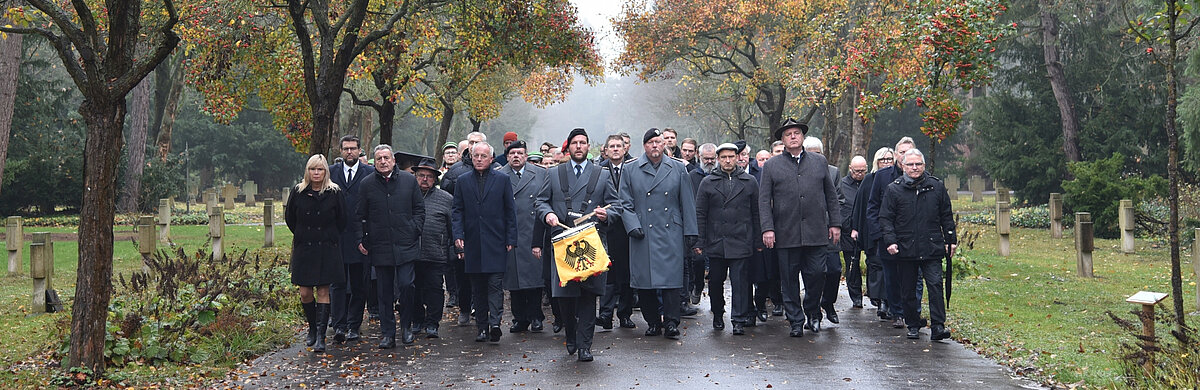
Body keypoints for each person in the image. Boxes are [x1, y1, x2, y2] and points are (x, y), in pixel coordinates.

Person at [536, 128, 620, 362]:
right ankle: (570, 333)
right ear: (569, 147)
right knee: (564, 296)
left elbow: (616, 205)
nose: (579, 146)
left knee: (588, 296)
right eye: (575, 143)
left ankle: (585, 346)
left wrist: (606, 215)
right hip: (563, 244)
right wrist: (548, 214)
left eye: (583, 142)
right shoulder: (554, 174)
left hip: (591, 243)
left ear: (588, 146)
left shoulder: (601, 175)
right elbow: (541, 202)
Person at [758, 118, 840, 337]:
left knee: (817, 274)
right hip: (786, 233)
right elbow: (764, 200)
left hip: (816, 231)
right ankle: (795, 319)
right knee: (788, 279)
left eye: (796, 133)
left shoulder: (819, 162)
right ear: (782, 140)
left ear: (803, 137)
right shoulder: (772, 166)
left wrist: (835, 223)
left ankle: (813, 313)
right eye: (788, 134)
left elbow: (831, 195)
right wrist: (767, 228)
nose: (793, 137)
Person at [619, 128, 699, 340]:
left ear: (665, 145)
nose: (655, 145)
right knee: (644, 281)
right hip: (642, 231)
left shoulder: (677, 168)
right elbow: (624, 202)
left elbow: (687, 202)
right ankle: (653, 321)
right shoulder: (631, 169)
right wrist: (632, 225)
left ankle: (672, 322)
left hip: (670, 230)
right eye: (650, 142)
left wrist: (691, 231)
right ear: (644, 146)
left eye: (658, 142)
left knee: (671, 280)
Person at [879, 148, 956, 340]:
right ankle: (913, 323)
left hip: (931, 246)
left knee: (935, 284)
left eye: (918, 164)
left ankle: (938, 326)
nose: (915, 168)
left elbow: (946, 215)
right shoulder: (894, 189)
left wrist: (951, 240)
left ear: (924, 166)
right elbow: (886, 219)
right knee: (908, 289)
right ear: (903, 166)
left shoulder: (936, 187)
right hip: (906, 247)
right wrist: (890, 241)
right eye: (910, 164)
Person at [357, 144, 425, 349]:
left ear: (394, 161)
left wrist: (414, 230)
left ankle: (406, 326)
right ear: (374, 162)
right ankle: (387, 333)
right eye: (379, 159)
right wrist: (362, 239)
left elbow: (419, 210)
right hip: (380, 246)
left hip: (406, 243)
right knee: (384, 292)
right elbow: (360, 215)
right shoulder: (367, 184)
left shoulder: (408, 181)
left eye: (387, 158)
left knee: (406, 285)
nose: (383, 162)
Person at [453, 142, 517, 343]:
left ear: (491, 158)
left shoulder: (502, 180)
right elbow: (457, 211)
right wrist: (458, 236)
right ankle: (482, 326)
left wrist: (511, 238)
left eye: (483, 156)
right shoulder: (462, 181)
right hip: (472, 242)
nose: (479, 159)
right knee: (478, 287)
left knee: (495, 285)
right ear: (471, 158)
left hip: (496, 241)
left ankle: (495, 323)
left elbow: (510, 212)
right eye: (476, 156)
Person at [694, 143, 760, 335]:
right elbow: (700, 213)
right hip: (716, 240)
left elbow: (756, 213)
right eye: (723, 157)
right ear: (718, 159)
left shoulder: (749, 181)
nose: (728, 160)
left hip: (741, 239)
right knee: (715, 281)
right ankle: (717, 313)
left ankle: (738, 319)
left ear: (737, 157)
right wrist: (699, 241)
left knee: (740, 282)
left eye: (731, 156)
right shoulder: (708, 182)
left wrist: (757, 240)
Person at [287, 154, 348, 353]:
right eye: (313, 169)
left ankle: (321, 336)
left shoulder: (334, 192)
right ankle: (312, 328)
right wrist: (304, 235)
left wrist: (330, 237)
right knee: (305, 292)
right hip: (304, 248)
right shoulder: (298, 191)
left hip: (326, 249)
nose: (316, 173)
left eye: (320, 169)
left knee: (323, 291)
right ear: (307, 170)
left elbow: (342, 220)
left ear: (325, 172)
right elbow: (290, 219)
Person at [498, 140, 550, 334]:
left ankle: (536, 316)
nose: (516, 156)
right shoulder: (499, 175)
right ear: (507, 156)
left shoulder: (540, 174)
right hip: (510, 233)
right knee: (514, 280)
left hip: (533, 231)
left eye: (520, 153)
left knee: (535, 279)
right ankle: (519, 318)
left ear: (526, 156)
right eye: (512, 153)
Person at [866, 137, 918, 328]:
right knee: (892, 277)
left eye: (909, 152)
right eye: (902, 152)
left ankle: (913, 312)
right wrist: (879, 235)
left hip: (912, 238)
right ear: (896, 155)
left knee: (913, 278)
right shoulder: (882, 176)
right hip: (887, 236)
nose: (906, 156)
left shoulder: (920, 176)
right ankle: (897, 312)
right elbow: (872, 207)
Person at [328, 135, 374, 345]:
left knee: (358, 284)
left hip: (360, 237)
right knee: (337, 284)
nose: (349, 152)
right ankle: (339, 324)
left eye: (353, 149)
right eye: (346, 149)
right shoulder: (331, 173)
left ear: (359, 151)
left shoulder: (369, 173)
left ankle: (354, 325)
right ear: (340, 151)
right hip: (336, 238)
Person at [803, 136, 845, 327]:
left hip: (827, 230)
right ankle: (813, 313)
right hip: (806, 232)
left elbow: (838, 200)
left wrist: (831, 223)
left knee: (834, 270)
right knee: (813, 274)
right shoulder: (798, 173)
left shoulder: (832, 172)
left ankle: (828, 303)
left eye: (817, 154)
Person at [597, 134, 638, 330]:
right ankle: (605, 314)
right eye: (611, 146)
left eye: (618, 146)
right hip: (606, 228)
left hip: (627, 228)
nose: (615, 149)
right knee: (607, 273)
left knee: (626, 273)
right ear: (605, 150)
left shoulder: (633, 169)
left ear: (625, 149)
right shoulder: (599, 171)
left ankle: (625, 314)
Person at [410, 158, 453, 339]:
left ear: (435, 179)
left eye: (429, 176)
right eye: (421, 175)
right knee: (413, 289)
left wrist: (451, 247)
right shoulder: (407, 195)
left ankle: (432, 323)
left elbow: (453, 226)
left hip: (436, 252)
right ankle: (417, 320)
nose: (425, 179)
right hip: (411, 252)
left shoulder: (446, 199)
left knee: (435, 289)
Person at [840, 156, 869, 308]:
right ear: (850, 168)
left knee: (873, 263)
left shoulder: (869, 182)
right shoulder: (842, 185)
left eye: (863, 171)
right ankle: (856, 296)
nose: (859, 173)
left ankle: (873, 292)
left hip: (868, 228)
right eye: (857, 171)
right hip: (848, 231)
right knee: (853, 263)